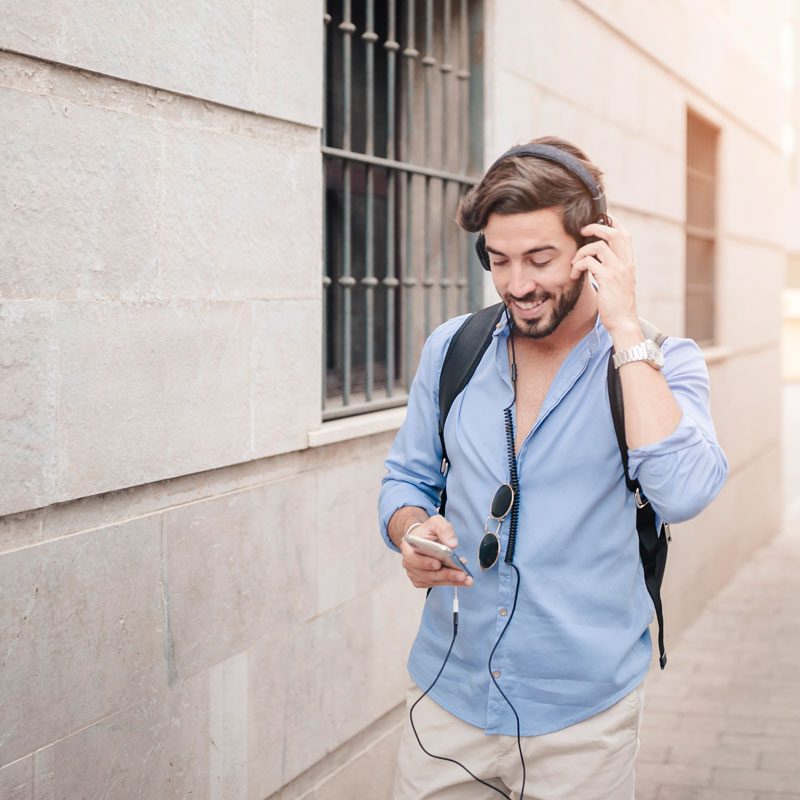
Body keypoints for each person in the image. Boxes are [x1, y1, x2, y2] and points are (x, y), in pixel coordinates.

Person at [378, 135, 728, 800]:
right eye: (499, 260)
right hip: (448, 700)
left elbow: (683, 491)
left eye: (540, 259)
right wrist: (410, 530)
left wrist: (625, 327)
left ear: (594, 249)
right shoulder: (452, 349)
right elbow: (407, 479)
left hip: (583, 722)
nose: (517, 284)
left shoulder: (662, 361)